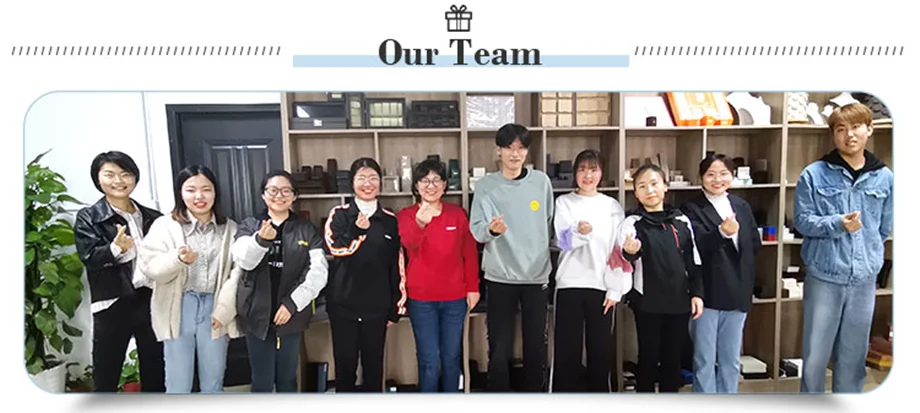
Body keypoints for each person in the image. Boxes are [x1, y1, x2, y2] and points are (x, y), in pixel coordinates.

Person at [794, 102, 893, 393]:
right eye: (841, 129)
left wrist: (869, 257)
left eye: (856, 127)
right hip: (824, 277)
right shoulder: (813, 174)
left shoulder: (885, 177)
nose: (849, 135)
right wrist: (837, 223)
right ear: (834, 135)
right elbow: (802, 221)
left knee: (853, 358)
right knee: (815, 358)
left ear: (869, 130)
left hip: (863, 281)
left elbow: (884, 228)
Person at [139, 165, 241, 393]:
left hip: (215, 306)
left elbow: (237, 273)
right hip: (179, 305)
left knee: (214, 379)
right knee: (178, 382)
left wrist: (225, 309)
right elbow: (150, 267)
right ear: (180, 193)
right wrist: (178, 259)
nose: (199, 196)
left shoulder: (229, 228)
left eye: (206, 189)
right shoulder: (165, 226)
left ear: (215, 192)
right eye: (191, 190)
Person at [469, 123, 555, 392]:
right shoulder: (486, 186)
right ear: (499, 151)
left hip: (536, 276)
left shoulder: (541, 182)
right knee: (499, 345)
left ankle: (534, 398)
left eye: (521, 148)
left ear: (527, 151)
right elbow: (476, 230)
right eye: (509, 147)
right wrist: (492, 230)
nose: (515, 154)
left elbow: (549, 224)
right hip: (500, 276)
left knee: (535, 345)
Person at [73, 151, 166, 392]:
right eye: (110, 174)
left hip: (150, 299)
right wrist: (115, 248)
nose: (118, 181)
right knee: (106, 374)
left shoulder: (154, 217)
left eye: (125, 174)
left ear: (135, 177)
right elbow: (89, 257)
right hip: (113, 302)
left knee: (156, 370)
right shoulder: (89, 217)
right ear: (98, 179)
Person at [230, 170, 329, 392]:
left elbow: (318, 272)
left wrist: (292, 304)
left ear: (294, 196)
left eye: (286, 191)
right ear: (263, 194)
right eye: (273, 190)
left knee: (287, 379)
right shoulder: (250, 225)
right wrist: (260, 241)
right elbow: (244, 261)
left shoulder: (306, 229)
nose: (279, 196)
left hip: (291, 315)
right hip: (256, 314)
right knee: (262, 381)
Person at [611, 163, 704, 393]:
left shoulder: (681, 220)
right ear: (636, 193)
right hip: (648, 303)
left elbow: (693, 260)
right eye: (642, 186)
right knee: (648, 359)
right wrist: (630, 252)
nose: (649, 190)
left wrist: (697, 294)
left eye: (654, 184)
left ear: (665, 186)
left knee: (673, 360)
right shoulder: (632, 222)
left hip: (679, 302)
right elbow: (625, 256)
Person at [680, 154, 761, 393]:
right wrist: (722, 233)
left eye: (724, 174)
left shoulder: (741, 206)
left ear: (732, 176)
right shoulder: (691, 208)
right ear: (701, 178)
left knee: (731, 359)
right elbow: (694, 246)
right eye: (711, 175)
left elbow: (753, 244)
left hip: (738, 291)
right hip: (708, 293)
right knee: (704, 360)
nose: (717, 180)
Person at [323, 157, 406, 392]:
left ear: (380, 182)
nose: (367, 184)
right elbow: (336, 249)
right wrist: (357, 231)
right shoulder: (339, 214)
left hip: (377, 308)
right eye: (361, 178)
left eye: (373, 178)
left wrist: (397, 306)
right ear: (352, 183)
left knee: (374, 370)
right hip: (343, 307)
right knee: (345, 370)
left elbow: (397, 265)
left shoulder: (390, 220)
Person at [396, 159, 480, 393]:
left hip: (455, 298)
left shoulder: (457, 214)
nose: (430, 186)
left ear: (444, 185)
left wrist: (473, 287)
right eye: (424, 181)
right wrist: (420, 222)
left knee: (451, 357)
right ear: (416, 185)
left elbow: (469, 253)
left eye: (436, 180)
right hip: (421, 299)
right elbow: (409, 244)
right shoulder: (406, 215)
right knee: (429, 359)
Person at [549, 149, 627, 393]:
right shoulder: (564, 202)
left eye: (593, 169)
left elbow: (619, 251)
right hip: (569, 285)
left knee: (600, 351)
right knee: (567, 352)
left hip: (602, 288)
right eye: (582, 169)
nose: (587, 175)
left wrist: (615, 289)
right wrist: (579, 233)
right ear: (575, 173)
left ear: (601, 173)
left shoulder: (612, 206)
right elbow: (562, 241)